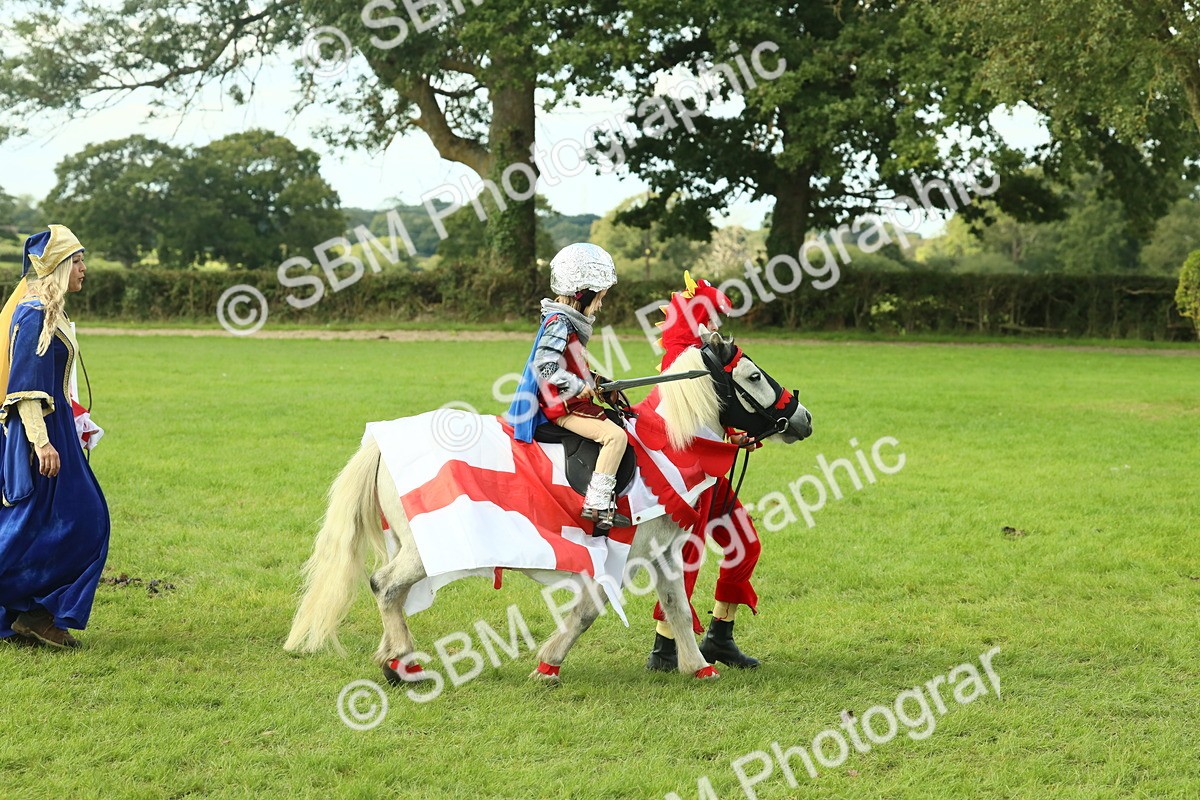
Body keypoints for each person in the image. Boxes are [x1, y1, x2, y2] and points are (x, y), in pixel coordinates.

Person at [644, 272, 764, 670]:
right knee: (686, 558)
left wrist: (736, 436)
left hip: (712, 472)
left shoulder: (710, 358)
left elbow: (719, 414)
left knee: (745, 544)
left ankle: (720, 636)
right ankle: (665, 649)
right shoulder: (680, 365)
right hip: (686, 479)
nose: (717, 326)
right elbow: (687, 428)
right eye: (711, 317)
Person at [0, 225, 110, 649]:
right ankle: (35, 614)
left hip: (59, 428)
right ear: (59, 266)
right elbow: (24, 387)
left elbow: (55, 383)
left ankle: (33, 614)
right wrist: (42, 442)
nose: (85, 268)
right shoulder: (33, 315)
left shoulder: (52, 312)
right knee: (80, 521)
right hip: (39, 437)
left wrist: (76, 420)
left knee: (44, 526)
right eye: (78, 260)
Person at [508, 243, 627, 535]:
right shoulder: (559, 323)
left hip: (571, 401)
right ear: (583, 294)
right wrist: (577, 386)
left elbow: (574, 366)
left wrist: (599, 384)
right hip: (561, 407)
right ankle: (597, 504)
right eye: (599, 298)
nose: (600, 306)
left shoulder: (568, 322)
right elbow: (545, 365)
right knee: (615, 437)